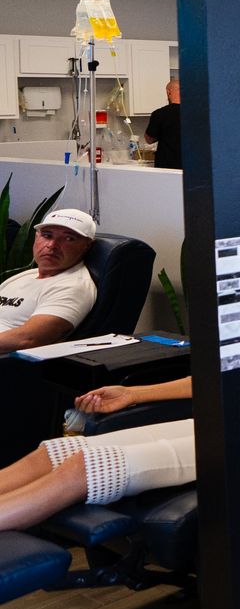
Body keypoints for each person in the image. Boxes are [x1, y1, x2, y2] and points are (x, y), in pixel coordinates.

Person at [0, 375, 192, 531]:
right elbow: (214, 375)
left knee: (86, 467)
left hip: (222, 434)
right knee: (55, 453)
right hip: (207, 417)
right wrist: (131, 394)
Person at [0, 208, 99, 353]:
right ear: (36, 238)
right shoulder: (26, 276)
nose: (52, 245)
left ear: (87, 246)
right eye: (47, 235)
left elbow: (27, 339)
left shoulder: (73, 287)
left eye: (69, 238)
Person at [142, 79, 182, 170]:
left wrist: (162, 134)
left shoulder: (159, 114)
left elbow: (149, 139)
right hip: (191, 167)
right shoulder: (196, 113)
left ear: (168, 92)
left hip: (166, 167)